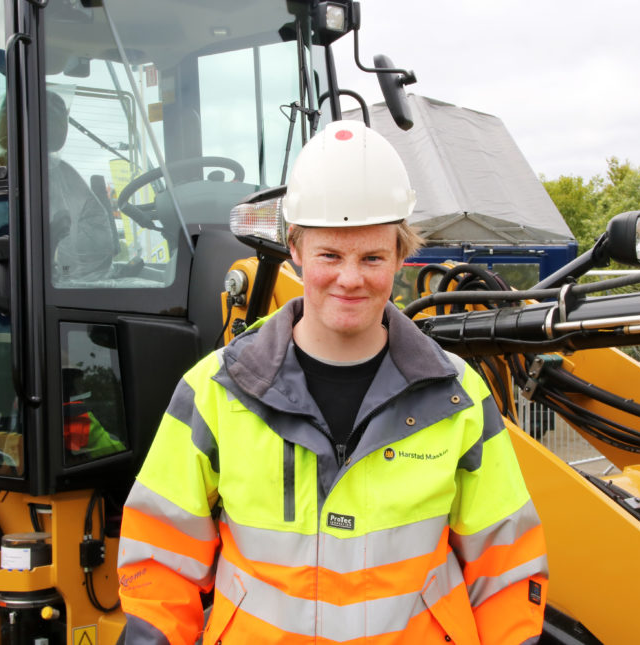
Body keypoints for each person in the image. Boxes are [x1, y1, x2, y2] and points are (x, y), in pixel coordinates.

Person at [117, 120, 547, 644]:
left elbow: (505, 566)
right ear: (296, 250)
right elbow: (160, 561)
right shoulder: (217, 389)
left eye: (372, 257)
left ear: (400, 256)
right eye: (330, 256)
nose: (350, 278)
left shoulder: (457, 396)